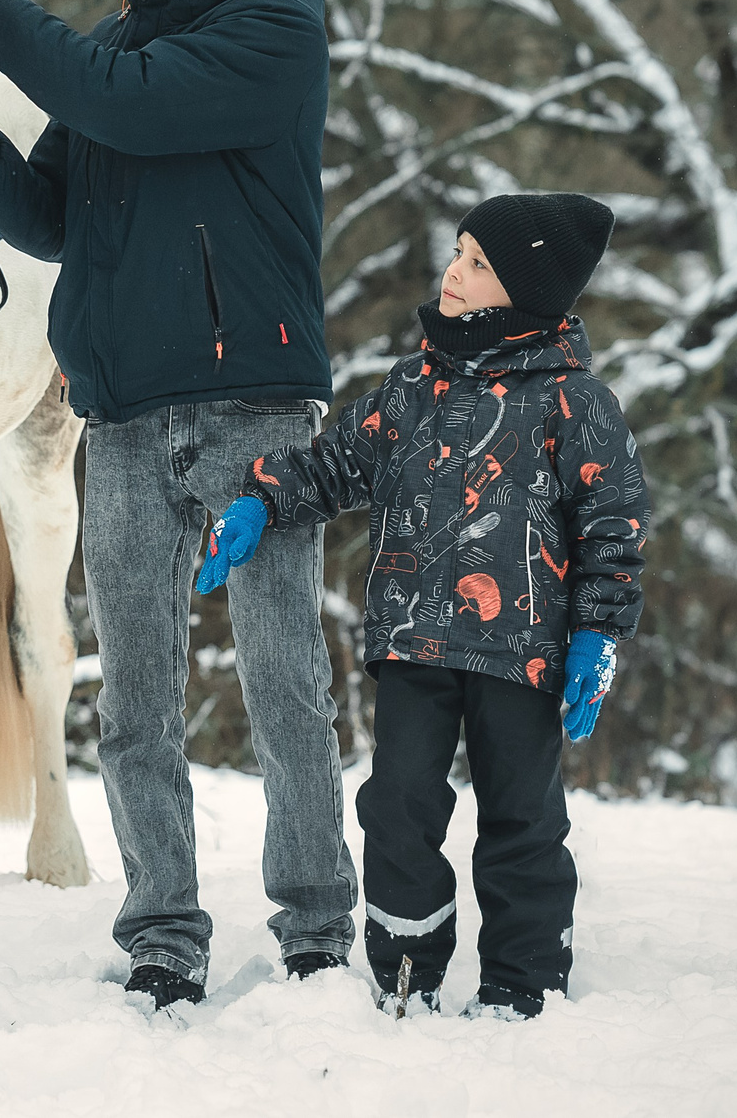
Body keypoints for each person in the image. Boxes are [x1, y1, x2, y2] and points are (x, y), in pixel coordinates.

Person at [0, 0, 352, 1009]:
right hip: (118, 419)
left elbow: (137, 106)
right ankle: (163, 931)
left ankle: (317, 926)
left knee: (281, 685)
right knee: (135, 710)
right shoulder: (126, 41)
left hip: (250, 410)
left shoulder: (273, 29)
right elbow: (58, 213)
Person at [199, 193, 649, 1020]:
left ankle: (522, 981)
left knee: (523, 819)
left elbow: (614, 525)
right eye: (459, 253)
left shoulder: (576, 402)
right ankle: (408, 970)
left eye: (479, 264)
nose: (454, 272)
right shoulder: (411, 389)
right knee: (398, 806)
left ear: (529, 289)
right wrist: (262, 501)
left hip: (523, 655)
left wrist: (596, 634)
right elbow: (333, 463)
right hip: (414, 645)